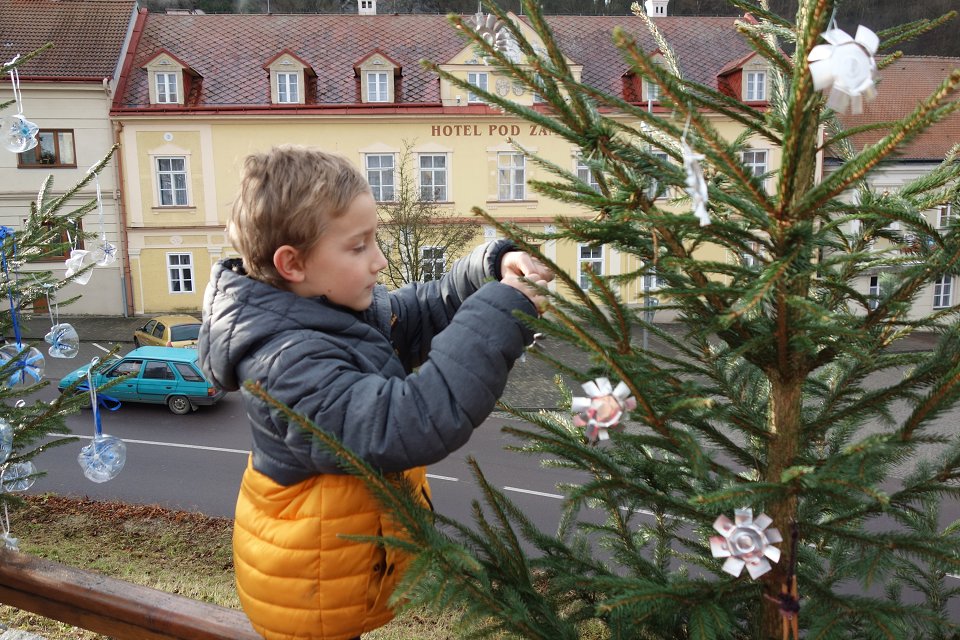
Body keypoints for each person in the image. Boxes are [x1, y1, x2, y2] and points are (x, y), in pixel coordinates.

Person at [199, 144, 552, 640]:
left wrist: (491, 269)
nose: (380, 261)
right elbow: (409, 419)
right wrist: (498, 312)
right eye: (358, 246)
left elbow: (424, 309)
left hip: (342, 570)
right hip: (310, 602)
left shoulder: (333, 311)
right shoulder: (286, 363)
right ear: (293, 263)